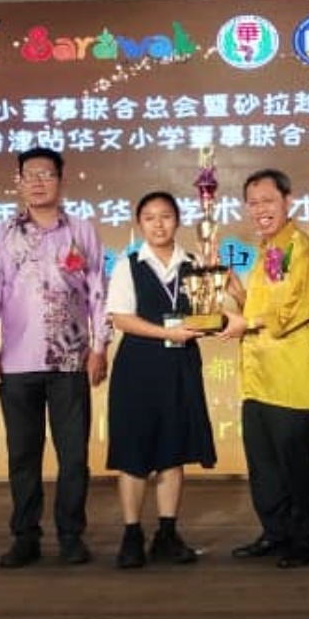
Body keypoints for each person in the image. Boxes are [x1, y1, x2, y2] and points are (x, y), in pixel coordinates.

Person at [0, 147, 111, 568]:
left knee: (74, 456)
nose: (37, 181)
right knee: (23, 454)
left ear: (60, 180)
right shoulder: (1, 234)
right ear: (18, 181)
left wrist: (100, 346)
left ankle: (71, 535)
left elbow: (98, 293)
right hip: (16, 362)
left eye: (46, 174)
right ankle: (25, 536)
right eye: (29, 174)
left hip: (71, 361)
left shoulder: (82, 231)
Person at [220, 168, 309, 569]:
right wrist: (239, 295)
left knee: (296, 465)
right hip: (257, 378)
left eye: (268, 200)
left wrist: (246, 320)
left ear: (288, 201)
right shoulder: (265, 249)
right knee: (264, 467)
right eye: (253, 202)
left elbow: (297, 308)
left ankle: (304, 538)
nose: (260, 209)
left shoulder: (303, 247)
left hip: (292, 378)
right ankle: (275, 532)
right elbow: (263, 309)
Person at [105, 191, 217, 568]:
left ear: (178, 221)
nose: (158, 224)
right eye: (149, 217)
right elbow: (120, 318)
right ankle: (132, 534)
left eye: (166, 216)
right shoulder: (128, 264)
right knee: (134, 453)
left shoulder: (196, 262)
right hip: (138, 367)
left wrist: (210, 322)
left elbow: (206, 312)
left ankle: (167, 534)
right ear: (140, 223)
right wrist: (166, 332)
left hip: (180, 365)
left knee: (173, 451)